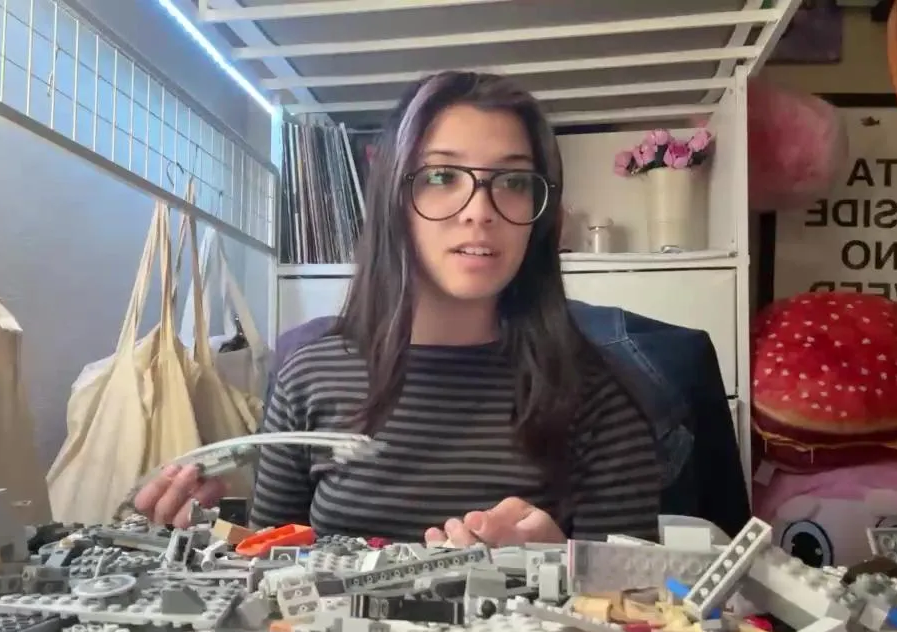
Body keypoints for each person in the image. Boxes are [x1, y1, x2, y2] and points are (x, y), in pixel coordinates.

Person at [132, 71, 664, 545]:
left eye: (513, 181)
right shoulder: (309, 377)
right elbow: (270, 567)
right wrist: (201, 542)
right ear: (393, 200)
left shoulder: (599, 398)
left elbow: (635, 609)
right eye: (442, 177)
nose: (480, 211)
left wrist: (558, 568)